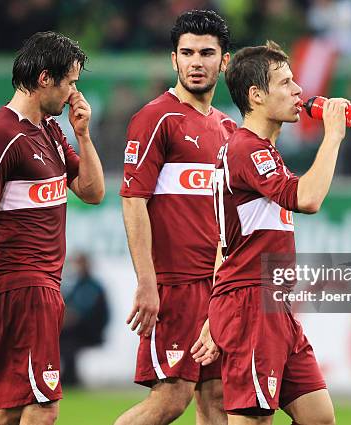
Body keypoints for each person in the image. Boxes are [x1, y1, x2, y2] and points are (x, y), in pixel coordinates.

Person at [0, 31, 105, 425]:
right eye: (70, 81)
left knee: (7, 412)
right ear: (44, 79)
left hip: (43, 286)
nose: (74, 91)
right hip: (22, 286)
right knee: (44, 406)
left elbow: (92, 192)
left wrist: (83, 134)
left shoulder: (50, 131)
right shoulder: (1, 134)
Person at [198, 41, 347, 424]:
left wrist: (215, 313)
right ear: (257, 96)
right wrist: (332, 137)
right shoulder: (248, 149)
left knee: (318, 416)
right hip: (251, 304)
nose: (298, 91)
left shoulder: (258, 150)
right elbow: (307, 199)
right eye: (285, 83)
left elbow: (224, 243)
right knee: (253, 417)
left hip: (271, 302)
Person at [116, 10, 235, 425]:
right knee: (170, 400)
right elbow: (133, 201)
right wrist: (148, 283)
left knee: (217, 399)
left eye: (206, 52)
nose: (195, 62)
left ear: (224, 61)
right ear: (173, 60)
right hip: (176, 286)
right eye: (187, 53)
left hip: (218, 287)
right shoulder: (156, 119)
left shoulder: (227, 129)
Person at [60, 253, 110, 385]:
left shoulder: (92, 287)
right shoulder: (75, 285)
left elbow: (82, 312)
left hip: (89, 330)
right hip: (75, 330)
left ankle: (70, 379)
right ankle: (67, 377)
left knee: (67, 342)